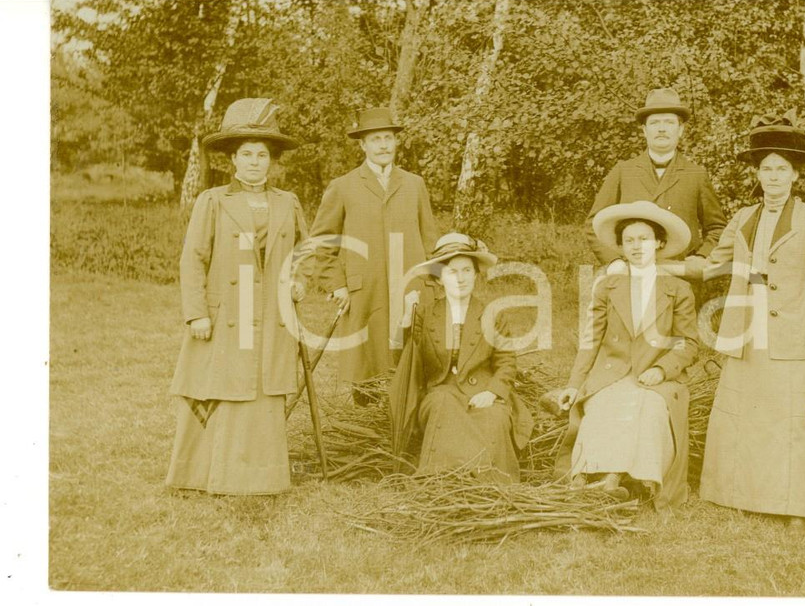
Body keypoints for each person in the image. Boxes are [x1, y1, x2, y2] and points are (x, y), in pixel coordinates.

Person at [697, 111, 805, 533]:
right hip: (748, 332)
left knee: (794, 422)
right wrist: (654, 263)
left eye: (781, 169)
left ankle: (799, 506)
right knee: (746, 416)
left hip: (794, 334)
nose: (773, 177)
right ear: (757, 174)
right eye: (766, 169)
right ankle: (745, 496)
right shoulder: (743, 217)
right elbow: (711, 264)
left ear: (795, 175)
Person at [166, 98, 307, 495]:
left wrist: (299, 280)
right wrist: (196, 313)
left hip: (270, 315)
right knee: (221, 386)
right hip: (227, 313)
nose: (254, 163)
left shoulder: (287, 202)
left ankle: (261, 477)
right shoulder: (213, 201)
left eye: (262, 155)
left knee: (263, 387)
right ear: (232, 159)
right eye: (246, 154)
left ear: (272, 160)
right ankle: (205, 474)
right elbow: (193, 258)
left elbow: (304, 252)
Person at [554, 202, 699, 507]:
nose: (637, 246)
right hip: (612, 372)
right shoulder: (608, 287)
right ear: (620, 247)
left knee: (648, 405)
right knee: (605, 402)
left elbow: (688, 343)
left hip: (656, 378)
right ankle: (584, 477)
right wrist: (574, 383)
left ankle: (615, 479)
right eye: (629, 240)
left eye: (644, 239)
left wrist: (662, 369)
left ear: (659, 243)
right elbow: (591, 339)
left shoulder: (678, 289)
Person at [309, 107, 440, 406]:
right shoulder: (343, 187)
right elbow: (322, 243)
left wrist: (433, 283)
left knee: (413, 368)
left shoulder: (414, 184)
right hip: (365, 293)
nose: (383, 145)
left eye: (388, 138)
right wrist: (337, 285)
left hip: (410, 290)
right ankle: (368, 423)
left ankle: (408, 424)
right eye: (376, 139)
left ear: (396, 142)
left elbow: (430, 241)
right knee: (366, 369)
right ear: (362, 145)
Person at [388, 233, 534, 482]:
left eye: (467, 270)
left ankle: (492, 482)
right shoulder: (426, 314)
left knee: (495, 417)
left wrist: (492, 393)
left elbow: (507, 363)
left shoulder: (492, 314)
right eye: (452, 272)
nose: (460, 278)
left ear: (476, 275)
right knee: (443, 405)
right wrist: (405, 323)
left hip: (482, 392)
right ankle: (446, 477)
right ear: (439, 278)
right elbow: (404, 361)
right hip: (441, 392)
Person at [585, 87, 727, 279]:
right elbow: (593, 224)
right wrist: (614, 261)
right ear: (644, 130)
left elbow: (717, 228)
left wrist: (701, 257)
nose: (661, 129)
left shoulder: (696, 174)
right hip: (630, 275)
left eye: (669, 122)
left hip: (680, 278)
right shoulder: (623, 171)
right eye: (654, 123)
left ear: (681, 129)